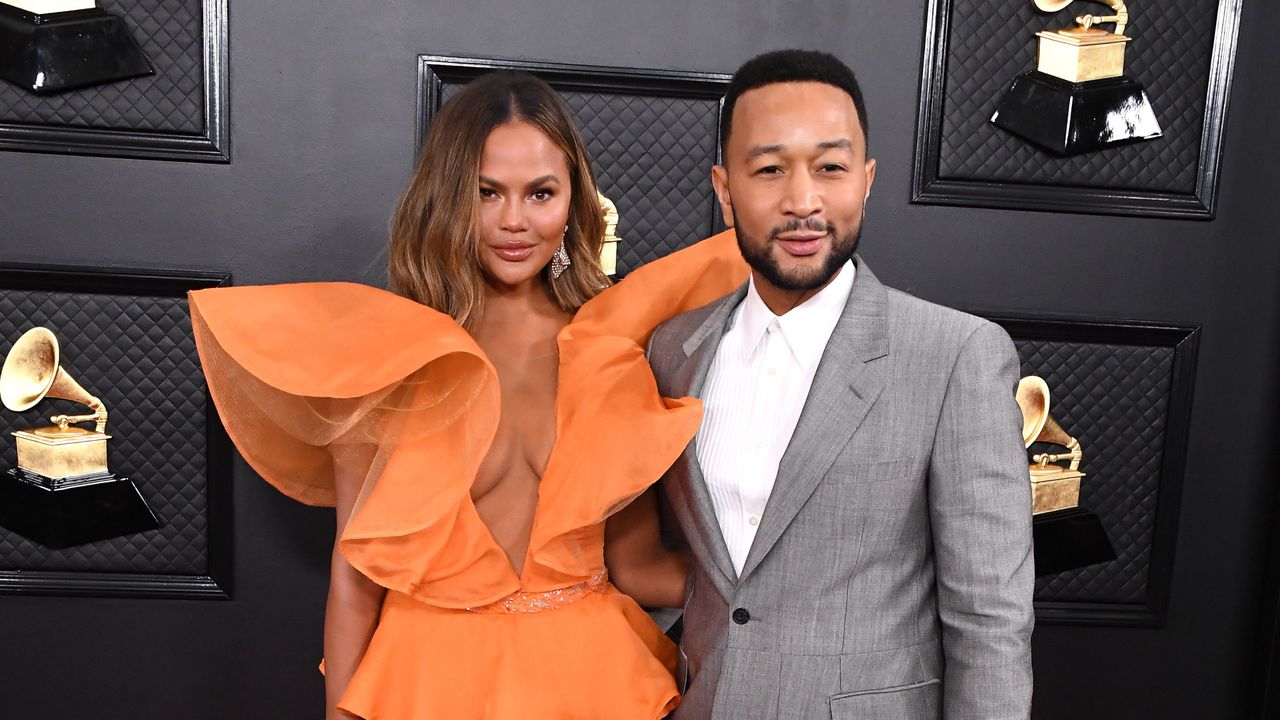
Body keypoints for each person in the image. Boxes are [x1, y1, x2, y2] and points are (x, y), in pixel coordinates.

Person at [187, 71, 748, 719]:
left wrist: (775, 587)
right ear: (449, 197)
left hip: (587, 685)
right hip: (425, 686)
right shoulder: (390, 358)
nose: (515, 221)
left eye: (540, 193)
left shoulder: (611, 355)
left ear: (574, 202)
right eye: (487, 193)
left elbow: (638, 566)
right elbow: (354, 588)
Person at [647, 50, 1035, 719]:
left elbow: (990, 620)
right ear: (724, 187)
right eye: (769, 169)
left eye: (830, 167)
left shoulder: (954, 355)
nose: (803, 201)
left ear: (866, 179)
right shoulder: (674, 350)